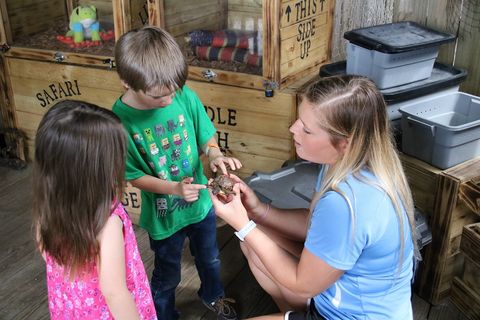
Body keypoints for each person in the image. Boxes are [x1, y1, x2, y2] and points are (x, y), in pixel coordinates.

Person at [209, 75, 421, 320]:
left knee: (252, 238)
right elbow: (314, 224)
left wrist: (242, 224)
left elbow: (303, 283)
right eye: (300, 120)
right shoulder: (342, 165)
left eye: (307, 129)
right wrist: (257, 211)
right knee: (254, 244)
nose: (293, 129)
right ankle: (295, 314)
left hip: (353, 315)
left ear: (344, 143)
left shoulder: (347, 203)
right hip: (338, 292)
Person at [112, 26, 242, 320]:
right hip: (164, 214)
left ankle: (213, 297)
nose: (169, 100)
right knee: (167, 273)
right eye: (159, 97)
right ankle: (162, 313)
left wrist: (215, 154)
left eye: (173, 92)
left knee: (210, 259)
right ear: (126, 82)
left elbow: (206, 136)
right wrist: (173, 189)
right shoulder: (120, 122)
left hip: (201, 205)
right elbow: (133, 175)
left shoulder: (183, 95)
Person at [32, 100, 157, 320]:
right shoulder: (107, 222)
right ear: (94, 170)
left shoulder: (48, 207)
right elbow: (115, 293)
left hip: (71, 308)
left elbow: (47, 254)